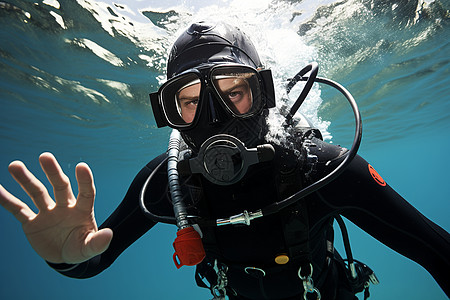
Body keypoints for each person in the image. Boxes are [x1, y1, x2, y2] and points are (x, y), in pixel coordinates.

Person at [0, 22, 449, 300]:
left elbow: (439, 254)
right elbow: (91, 261)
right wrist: (62, 257)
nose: (214, 116)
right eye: (190, 102)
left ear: (263, 96)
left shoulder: (325, 170)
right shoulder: (165, 182)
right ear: (170, 114)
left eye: (234, 92)